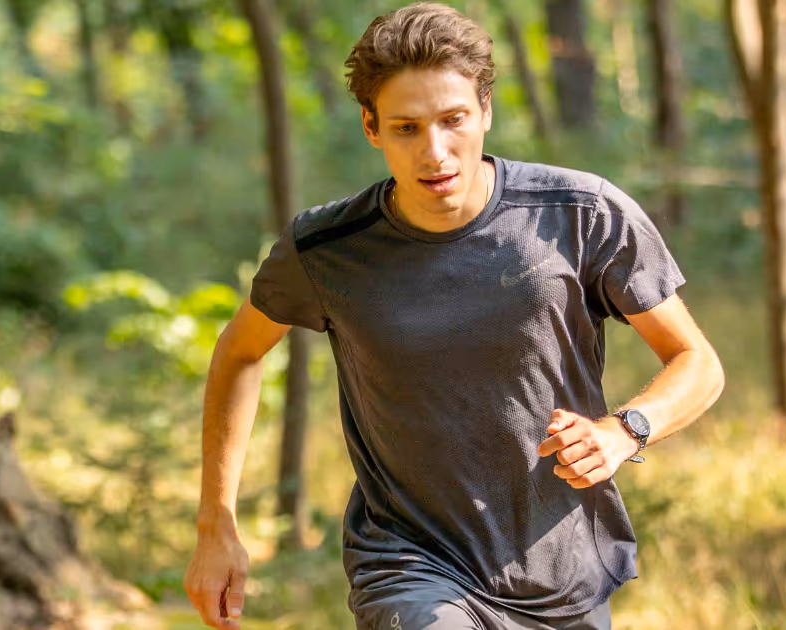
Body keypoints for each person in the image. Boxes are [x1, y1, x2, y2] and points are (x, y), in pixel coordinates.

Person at [184, 3, 725, 629]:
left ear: (486, 112)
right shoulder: (329, 249)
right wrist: (215, 523)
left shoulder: (580, 214)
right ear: (371, 126)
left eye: (453, 120)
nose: (435, 151)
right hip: (410, 563)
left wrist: (624, 430)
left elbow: (698, 363)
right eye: (407, 128)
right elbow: (240, 351)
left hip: (559, 568)